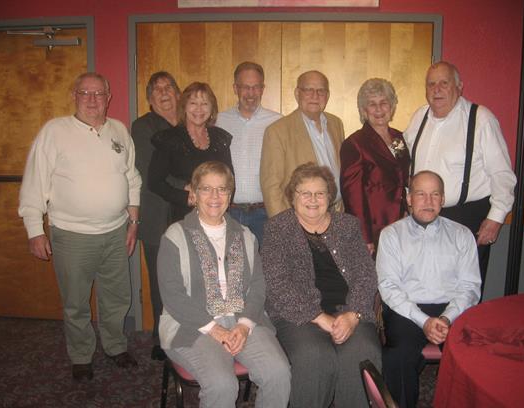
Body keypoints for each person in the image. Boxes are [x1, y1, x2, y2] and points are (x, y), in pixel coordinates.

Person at [18, 72, 142, 381]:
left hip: (115, 231)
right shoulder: (55, 131)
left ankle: (115, 346)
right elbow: (34, 182)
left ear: (108, 97)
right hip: (72, 235)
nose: (92, 99)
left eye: (98, 93)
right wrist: (35, 230)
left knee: (117, 297)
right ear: (74, 96)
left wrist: (133, 222)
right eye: (85, 93)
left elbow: (131, 178)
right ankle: (81, 354)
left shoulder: (119, 130)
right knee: (75, 302)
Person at [158, 161, 291, 408]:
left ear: (230, 196)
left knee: (279, 374)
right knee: (222, 385)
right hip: (192, 326)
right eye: (206, 189)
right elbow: (173, 295)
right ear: (194, 194)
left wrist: (244, 326)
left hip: (243, 320)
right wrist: (216, 330)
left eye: (222, 189)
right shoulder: (175, 236)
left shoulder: (246, 235)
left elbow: (258, 285)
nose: (214, 196)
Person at [262, 163, 381, 408]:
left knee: (362, 351)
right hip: (298, 316)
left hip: (349, 310)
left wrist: (354, 315)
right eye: (305, 193)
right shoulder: (277, 228)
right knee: (315, 356)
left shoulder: (347, 225)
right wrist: (317, 316)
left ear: (330, 197)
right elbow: (277, 283)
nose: (313, 200)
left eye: (320, 193)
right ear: (292, 197)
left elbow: (366, 274)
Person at [404, 61, 516, 291]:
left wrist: (495, 218)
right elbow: (407, 164)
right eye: (431, 84)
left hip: (466, 217)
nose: (436, 89)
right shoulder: (419, 117)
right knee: (424, 285)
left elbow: (502, 174)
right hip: (422, 217)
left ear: (459, 87)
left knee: (463, 289)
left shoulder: (481, 119)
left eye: (444, 83)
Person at [376, 170, 481, 408]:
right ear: (409, 198)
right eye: (420, 194)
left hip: (453, 309)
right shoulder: (391, 235)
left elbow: (470, 287)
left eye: (435, 194)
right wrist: (424, 321)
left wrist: (446, 318)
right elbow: (389, 287)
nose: (428, 201)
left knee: (472, 352)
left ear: (443, 199)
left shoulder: (462, 235)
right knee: (398, 355)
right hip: (406, 309)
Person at [131, 71, 181, 361]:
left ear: (178, 94)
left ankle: (189, 331)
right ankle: (162, 338)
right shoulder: (143, 127)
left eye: (169, 87)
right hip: (157, 217)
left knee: (189, 278)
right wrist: (193, 187)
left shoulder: (189, 122)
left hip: (188, 215)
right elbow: (153, 173)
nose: (164, 92)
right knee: (162, 280)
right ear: (150, 99)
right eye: (157, 89)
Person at [340, 78, 410, 257]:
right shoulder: (355, 143)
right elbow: (353, 195)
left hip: (402, 224)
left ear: (392, 106)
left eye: (384, 103)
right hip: (374, 229)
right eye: (372, 104)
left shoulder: (399, 138)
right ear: (364, 110)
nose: (379, 109)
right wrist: (363, 236)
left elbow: (403, 178)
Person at [260, 70, 345, 217]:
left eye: (321, 91)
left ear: (327, 95)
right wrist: (283, 225)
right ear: (297, 94)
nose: (315, 96)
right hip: (299, 218)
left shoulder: (336, 124)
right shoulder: (277, 131)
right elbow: (271, 187)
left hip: (335, 214)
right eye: (308, 90)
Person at [148, 82, 233, 225]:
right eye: (193, 103)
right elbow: (154, 182)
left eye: (204, 104)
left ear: (212, 109)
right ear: (184, 107)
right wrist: (184, 197)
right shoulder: (169, 138)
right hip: (183, 216)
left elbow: (230, 179)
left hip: (216, 214)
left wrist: (222, 203)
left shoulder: (220, 138)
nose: (199, 109)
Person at [216, 61, 282, 245]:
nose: (251, 93)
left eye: (256, 87)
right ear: (235, 88)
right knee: (231, 263)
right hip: (228, 212)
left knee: (266, 263)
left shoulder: (277, 122)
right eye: (245, 87)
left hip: (266, 213)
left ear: (263, 89)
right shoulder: (219, 121)